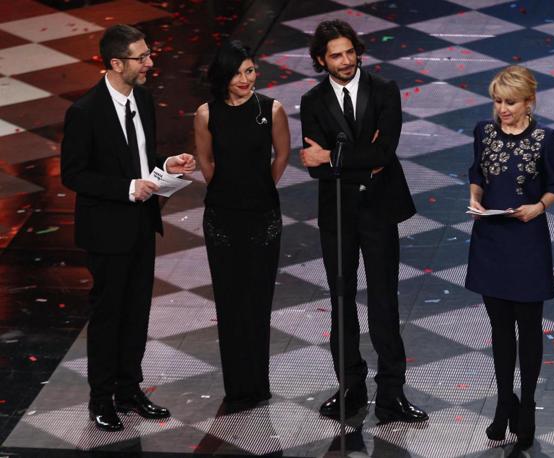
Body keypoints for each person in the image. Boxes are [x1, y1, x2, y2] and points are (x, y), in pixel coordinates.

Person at [61, 24, 196, 431]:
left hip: (141, 223)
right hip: (107, 230)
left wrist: (165, 164)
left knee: (136, 311)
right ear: (116, 63)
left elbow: (139, 154)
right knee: (109, 315)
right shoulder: (84, 112)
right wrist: (126, 188)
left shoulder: (143, 99)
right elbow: (74, 174)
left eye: (149, 54)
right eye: (142, 57)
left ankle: (128, 389)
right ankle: (101, 399)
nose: (150, 63)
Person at [299, 20, 427, 424]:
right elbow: (315, 168)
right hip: (337, 215)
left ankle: (392, 394)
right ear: (322, 60)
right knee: (341, 302)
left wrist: (335, 159)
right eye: (336, 55)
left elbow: (384, 153)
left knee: (385, 304)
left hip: (379, 213)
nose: (346, 61)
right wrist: (359, 162)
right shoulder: (313, 100)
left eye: (350, 52)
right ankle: (350, 389)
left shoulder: (385, 91)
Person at [465, 66, 554, 450]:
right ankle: (504, 404)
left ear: (528, 102)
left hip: (526, 240)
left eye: (509, 102)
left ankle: (526, 408)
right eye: (497, 101)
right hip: (490, 239)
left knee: (528, 327)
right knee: (500, 327)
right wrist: (475, 197)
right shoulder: (483, 132)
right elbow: (477, 171)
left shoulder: (545, 139)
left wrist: (538, 207)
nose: (502, 109)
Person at [194, 40, 290, 414]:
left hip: (263, 216)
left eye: (249, 71)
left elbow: (282, 154)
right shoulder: (206, 114)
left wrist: (261, 186)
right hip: (221, 218)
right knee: (229, 300)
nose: (246, 79)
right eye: (237, 73)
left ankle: (258, 383)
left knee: (258, 299)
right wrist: (229, 190)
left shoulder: (272, 109)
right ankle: (237, 386)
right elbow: (206, 161)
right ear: (223, 76)